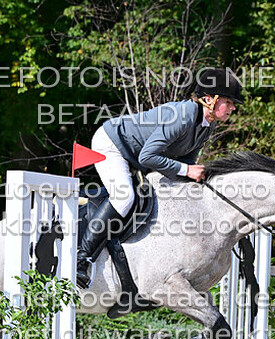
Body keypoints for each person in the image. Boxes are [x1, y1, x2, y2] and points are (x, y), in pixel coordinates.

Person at [75, 68, 244, 288]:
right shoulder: (183, 116)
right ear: (209, 99)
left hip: (135, 155)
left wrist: (193, 177)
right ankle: (82, 258)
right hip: (113, 144)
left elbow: (187, 161)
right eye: (228, 102)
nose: (232, 108)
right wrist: (187, 171)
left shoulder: (207, 124)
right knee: (124, 197)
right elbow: (149, 156)